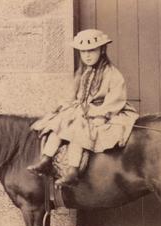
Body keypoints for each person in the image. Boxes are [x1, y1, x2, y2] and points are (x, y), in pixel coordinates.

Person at [27, 29, 139, 186]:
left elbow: (115, 100)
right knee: (60, 122)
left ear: (102, 50)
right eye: (83, 52)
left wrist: (98, 113)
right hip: (83, 109)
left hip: (104, 111)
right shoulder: (83, 73)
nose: (87, 55)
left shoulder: (112, 74)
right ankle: (46, 159)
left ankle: (73, 170)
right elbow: (72, 96)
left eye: (91, 51)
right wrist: (63, 107)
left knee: (79, 128)